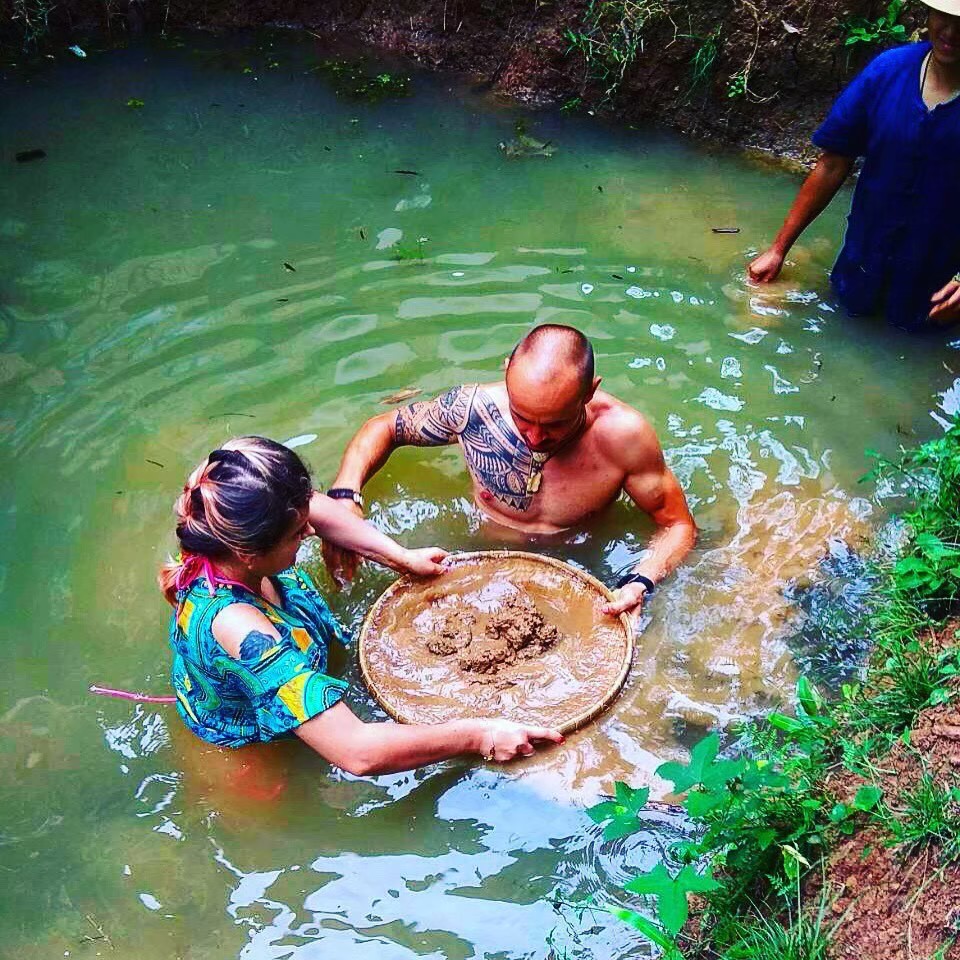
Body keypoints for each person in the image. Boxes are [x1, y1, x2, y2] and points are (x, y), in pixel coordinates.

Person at [159, 436, 563, 775]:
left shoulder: (228, 510)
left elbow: (314, 508)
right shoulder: (241, 629)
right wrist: (480, 736)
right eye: (299, 535)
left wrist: (399, 557)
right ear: (250, 553)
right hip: (248, 732)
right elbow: (357, 752)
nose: (314, 531)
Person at [322, 324, 697, 619]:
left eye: (553, 424)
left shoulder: (624, 436)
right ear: (506, 374)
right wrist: (344, 494)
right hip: (478, 552)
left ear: (589, 391)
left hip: (581, 564)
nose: (534, 437)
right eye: (521, 416)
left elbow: (678, 525)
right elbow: (384, 427)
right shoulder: (472, 409)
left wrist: (640, 581)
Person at [749, 0, 960, 330]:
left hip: (939, 287)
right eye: (944, 17)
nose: (950, 31)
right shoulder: (888, 72)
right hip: (863, 264)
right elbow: (833, 162)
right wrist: (778, 250)